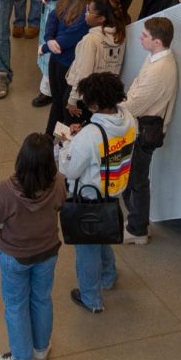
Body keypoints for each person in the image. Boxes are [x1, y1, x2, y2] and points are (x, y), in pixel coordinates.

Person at [0, 134, 65, 360]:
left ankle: (19, 359)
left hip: (15, 256)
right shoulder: (59, 182)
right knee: (42, 298)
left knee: (16, 305)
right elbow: (60, 204)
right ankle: (41, 348)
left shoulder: (5, 191)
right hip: (48, 251)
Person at [59, 72, 136, 314]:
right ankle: (109, 276)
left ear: (93, 104)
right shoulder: (130, 120)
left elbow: (68, 169)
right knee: (103, 233)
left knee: (87, 249)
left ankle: (90, 297)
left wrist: (66, 144)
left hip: (89, 199)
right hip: (114, 191)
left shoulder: (90, 136)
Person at [120, 17, 179, 245]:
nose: (140, 38)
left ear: (157, 41)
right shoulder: (155, 58)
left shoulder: (160, 70)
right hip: (142, 126)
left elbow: (135, 104)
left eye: (144, 36)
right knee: (136, 179)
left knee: (136, 181)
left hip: (143, 131)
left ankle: (138, 229)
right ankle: (137, 223)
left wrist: (113, 108)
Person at [41, 0, 103, 135]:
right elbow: (54, 15)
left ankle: (62, 147)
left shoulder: (92, 4)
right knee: (57, 102)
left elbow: (76, 33)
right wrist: (48, 39)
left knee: (66, 107)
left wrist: (49, 46)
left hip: (70, 64)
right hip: (57, 57)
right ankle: (48, 138)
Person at [64, 0, 127, 124]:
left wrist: (72, 100)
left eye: (89, 10)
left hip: (81, 97)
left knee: (71, 131)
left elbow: (83, 74)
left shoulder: (90, 40)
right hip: (101, 98)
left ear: (101, 18)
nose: (85, 13)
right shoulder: (120, 36)